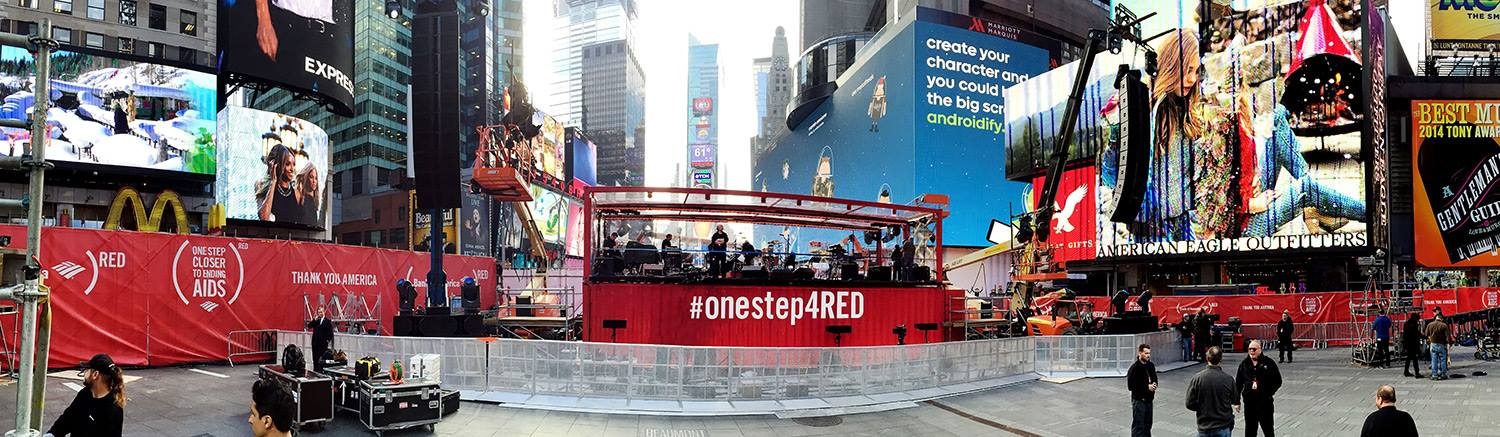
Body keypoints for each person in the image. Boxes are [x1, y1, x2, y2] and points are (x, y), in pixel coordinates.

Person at [47, 354, 126, 437]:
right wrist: (52, 433)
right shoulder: (85, 393)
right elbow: (68, 418)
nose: (84, 373)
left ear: (95, 374)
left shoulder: (113, 410)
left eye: (87, 370)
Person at [1186, 346, 1239, 437]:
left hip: (1204, 426)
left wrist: (1202, 407)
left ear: (1207, 358)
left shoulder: (1197, 378)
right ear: (1220, 360)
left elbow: (1189, 403)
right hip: (1223, 425)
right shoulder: (1228, 379)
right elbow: (1235, 399)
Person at [1236, 340, 1282, 437]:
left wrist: (1269, 393)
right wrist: (1236, 401)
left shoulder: (1268, 363)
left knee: (1268, 429)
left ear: (1260, 350)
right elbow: (1238, 383)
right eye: (1249, 349)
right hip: (1250, 403)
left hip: (1265, 403)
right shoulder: (1244, 364)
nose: (1252, 351)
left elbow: (1278, 381)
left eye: (1254, 349)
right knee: (1250, 430)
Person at [258, 144, 302, 222]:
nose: (292, 169)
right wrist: (273, 181)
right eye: (287, 164)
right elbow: (264, 217)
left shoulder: (296, 193)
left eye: (293, 164)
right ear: (276, 165)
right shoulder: (261, 186)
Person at [1127, 344, 1158, 437]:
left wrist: (1154, 384)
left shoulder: (1150, 365)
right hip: (1139, 400)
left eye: (1149, 353)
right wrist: (1146, 387)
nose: (1148, 355)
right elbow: (1131, 386)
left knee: (1148, 424)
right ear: (1140, 353)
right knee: (1138, 426)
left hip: (1149, 400)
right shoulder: (1134, 368)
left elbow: (1155, 378)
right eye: (1146, 353)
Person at [308, 306, 335, 372]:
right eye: (319, 312)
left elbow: (330, 333)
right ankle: (315, 371)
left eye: (321, 312)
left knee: (322, 359)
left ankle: (321, 372)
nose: (320, 313)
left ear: (324, 312)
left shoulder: (327, 321)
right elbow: (309, 326)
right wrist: (314, 320)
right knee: (315, 359)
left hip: (322, 344)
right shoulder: (317, 321)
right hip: (315, 343)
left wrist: (327, 340)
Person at [1425, 314, 1451, 380]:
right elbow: (1447, 337)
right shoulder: (1444, 325)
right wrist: (1449, 344)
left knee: (1434, 360)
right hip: (1442, 344)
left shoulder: (1430, 325)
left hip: (1433, 344)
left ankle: (1434, 375)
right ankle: (1443, 374)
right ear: (1441, 319)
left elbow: (1426, 334)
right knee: (1443, 360)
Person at [1402, 312, 1424, 378]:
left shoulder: (1406, 323)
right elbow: (1417, 334)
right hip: (1413, 344)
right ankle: (1417, 373)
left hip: (1407, 344)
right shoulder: (1414, 324)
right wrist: (1424, 337)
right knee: (1414, 359)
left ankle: (1406, 371)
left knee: (1408, 358)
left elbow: (1405, 335)